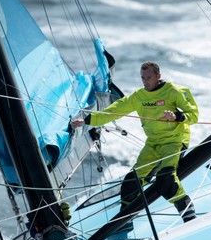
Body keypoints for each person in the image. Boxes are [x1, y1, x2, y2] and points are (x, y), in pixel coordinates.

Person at [72, 61, 198, 223]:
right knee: (130, 184)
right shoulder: (139, 96)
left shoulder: (173, 91)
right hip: (153, 143)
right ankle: (126, 219)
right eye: (142, 78)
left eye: (149, 78)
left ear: (158, 76)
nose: (145, 82)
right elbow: (114, 110)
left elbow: (193, 115)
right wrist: (87, 120)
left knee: (165, 179)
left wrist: (177, 116)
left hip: (174, 140)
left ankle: (186, 208)